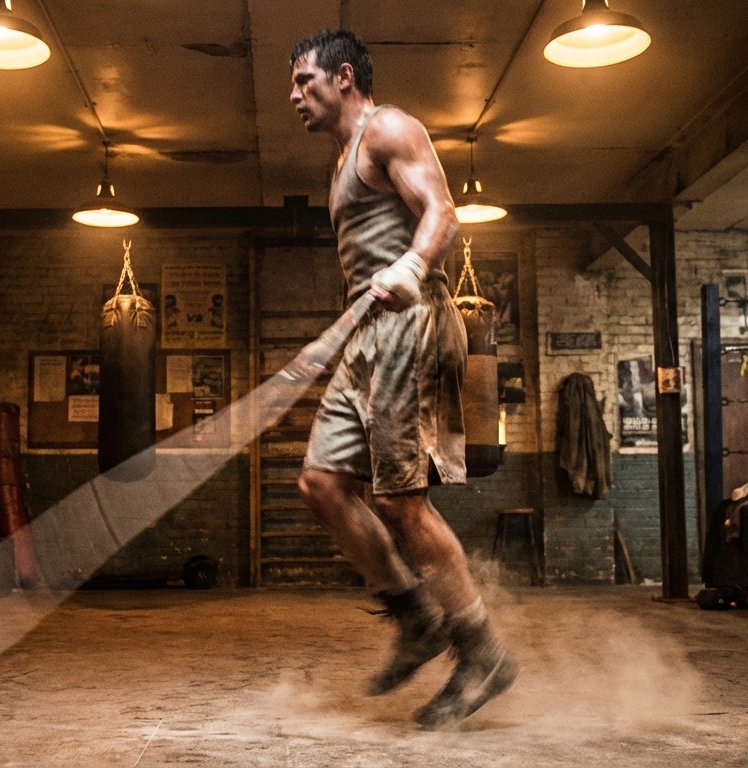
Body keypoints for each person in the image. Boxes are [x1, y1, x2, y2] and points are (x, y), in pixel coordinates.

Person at [284, 29, 517, 728]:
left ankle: (482, 652)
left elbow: (440, 212)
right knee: (320, 484)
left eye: (304, 80)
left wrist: (414, 266)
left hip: (411, 325)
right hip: (364, 337)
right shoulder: (338, 163)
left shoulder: (388, 128)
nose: (295, 96)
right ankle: (415, 617)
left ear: (344, 76)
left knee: (400, 503)